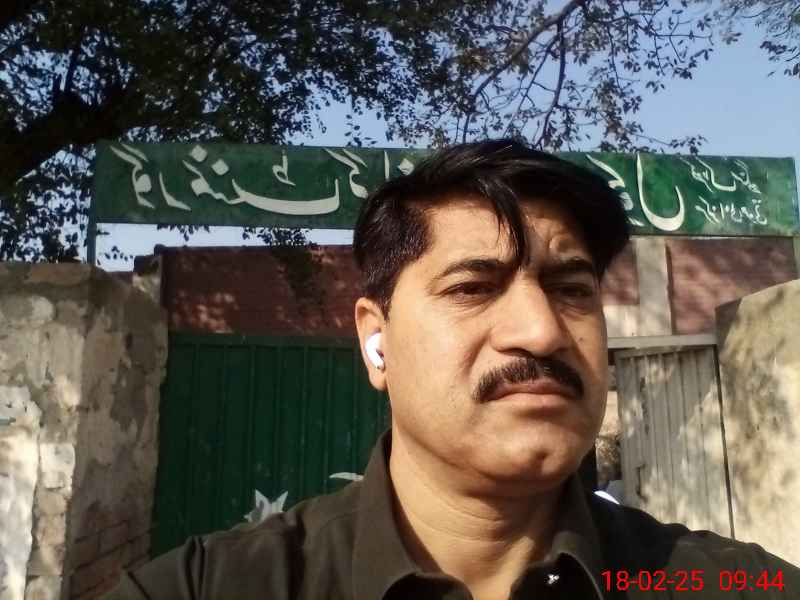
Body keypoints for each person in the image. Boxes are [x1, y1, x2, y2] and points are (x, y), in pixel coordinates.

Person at [106, 140, 799, 599]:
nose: (542, 331)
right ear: (376, 342)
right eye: (473, 287)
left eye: (571, 289)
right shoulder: (206, 589)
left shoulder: (736, 586)